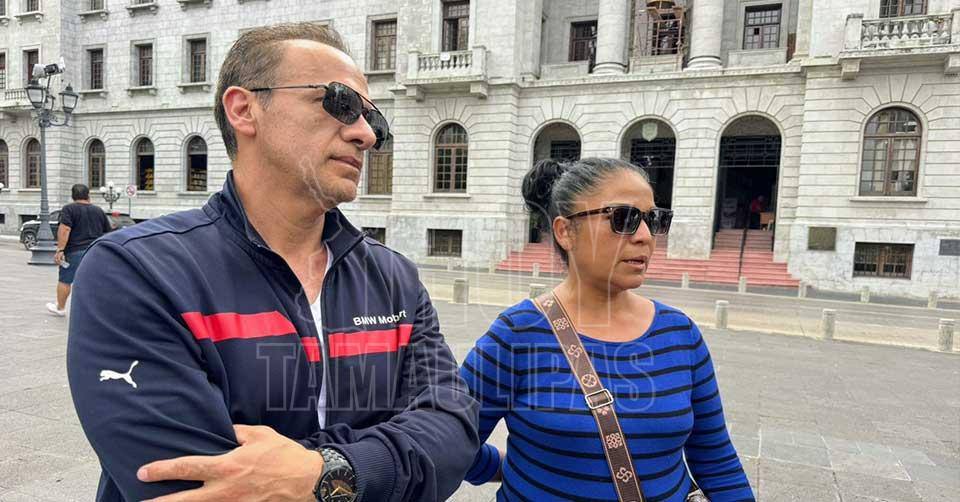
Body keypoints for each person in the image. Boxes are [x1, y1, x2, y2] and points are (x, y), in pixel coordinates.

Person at [66, 23, 479, 502]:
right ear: (244, 109)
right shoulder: (136, 272)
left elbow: (453, 430)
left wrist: (325, 473)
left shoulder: (393, 278)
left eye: (374, 121)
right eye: (340, 102)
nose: (366, 134)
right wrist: (389, 460)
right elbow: (193, 486)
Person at [460, 158, 755, 501]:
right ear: (565, 231)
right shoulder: (517, 334)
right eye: (623, 218)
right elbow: (450, 442)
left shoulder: (680, 333)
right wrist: (506, 468)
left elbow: (717, 460)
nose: (645, 236)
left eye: (653, 220)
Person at [46, 183, 112, 317]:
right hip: (95, 251)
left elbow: (65, 229)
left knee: (65, 279)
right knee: (93, 280)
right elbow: (107, 232)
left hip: (75, 251)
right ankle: (96, 310)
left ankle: (60, 307)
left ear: (73, 196)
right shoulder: (98, 211)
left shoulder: (69, 209)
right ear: (88, 195)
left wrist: (60, 250)